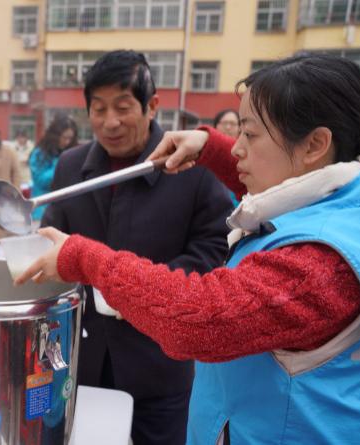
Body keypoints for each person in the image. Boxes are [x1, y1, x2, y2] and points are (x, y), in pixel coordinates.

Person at [18, 53, 360, 444]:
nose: (236, 150)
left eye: (250, 135)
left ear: (315, 144)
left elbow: (201, 319)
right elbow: (286, 185)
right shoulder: (334, 202)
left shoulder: (323, 263)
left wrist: (85, 259)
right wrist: (208, 147)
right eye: (99, 109)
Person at [39, 50, 232, 445]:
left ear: (152, 106)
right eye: (99, 109)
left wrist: (137, 291)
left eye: (123, 107)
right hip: (84, 358)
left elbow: (215, 249)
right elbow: (52, 237)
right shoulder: (71, 167)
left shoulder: (191, 168)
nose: (110, 122)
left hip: (159, 362)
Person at [29, 115, 78, 221]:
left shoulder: (72, 152)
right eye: (64, 137)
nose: (67, 142)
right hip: (42, 210)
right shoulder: (40, 153)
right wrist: (62, 162)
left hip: (66, 211)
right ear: (55, 135)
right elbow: (41, 180)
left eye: (70, 138)